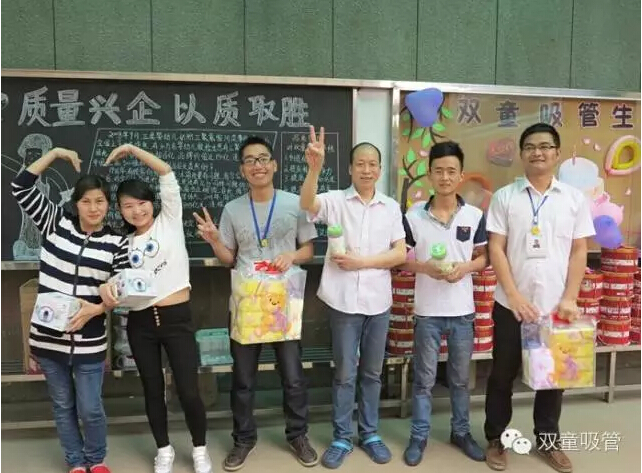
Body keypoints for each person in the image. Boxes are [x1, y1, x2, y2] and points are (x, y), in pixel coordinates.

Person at [194, 135, 318, 471]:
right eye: (250, 160)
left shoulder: (296, 202)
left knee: (293, 375)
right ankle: (243, 439)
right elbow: (228, 259)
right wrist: (215, 240)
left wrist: (291, 255)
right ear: (242, 170)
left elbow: (309, 249)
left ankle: (298, 435)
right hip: (247, 303)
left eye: (263, 159)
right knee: (243, 379)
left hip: (284, 302)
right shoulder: (232, 209)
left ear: (274, 165)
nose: (257, 165)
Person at [483, 123, 595, 473]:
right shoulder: (505, 197)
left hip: (554, 307)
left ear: (557, 153)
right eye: (530, 146)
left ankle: (548, 441)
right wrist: (514, 296)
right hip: (511, 306)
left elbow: (579, 251)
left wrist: (570, 297)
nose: (538, 152)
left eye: (545, 146)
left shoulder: (574, 199)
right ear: (521, 154)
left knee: (552, 378)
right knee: (502, 375)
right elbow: (496, 248)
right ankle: (496, 438)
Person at [11, 147, 129, 473]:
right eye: (86, 201)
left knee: (90, 408)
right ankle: (76, 461)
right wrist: (54, 153)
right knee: (63, 405)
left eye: (100, 201)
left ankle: (96, 459)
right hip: (48, 338)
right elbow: (21, 186)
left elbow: (122, 290)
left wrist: (96, 309)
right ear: (75, 203)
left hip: (89, 341)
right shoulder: (55, 223)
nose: (93, 208)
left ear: (108, 205)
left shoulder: (116, 242)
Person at [99, 144, 212, 473]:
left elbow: (166, 172)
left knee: (188, 390)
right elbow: (113, 282)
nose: (136, 211)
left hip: (177, 319)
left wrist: (132, 149)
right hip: (140, 323)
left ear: (152, 202)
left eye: (141, 203)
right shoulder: (122, 244)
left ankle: (199, 448)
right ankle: (164, 449)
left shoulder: (169, 221)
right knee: (152, 389)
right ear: (120, 211)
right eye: (127, 206)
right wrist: (108, 289)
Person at [300, 127, 407, 469]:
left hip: (379, 303)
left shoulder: (390, 207)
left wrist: (362, 262)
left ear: (380, 169)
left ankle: (370, 434)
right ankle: (342, 437)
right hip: (343, 302)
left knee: (372, 373)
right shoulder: (335, 201)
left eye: (372, 164)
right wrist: (314, 169)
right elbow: (307, 204)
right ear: (350, 168)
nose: (366, 169)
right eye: (360, 164)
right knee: (345, 374)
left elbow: (400, 253)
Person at [399, 141, 487, 466]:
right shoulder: (413, 217)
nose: (445, 177)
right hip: (427, 313)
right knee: (423, 380)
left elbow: (484, 258)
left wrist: (465, 268)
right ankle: (418, 436)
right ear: (430, 174)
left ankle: (461, 432)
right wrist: (426, 268)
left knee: (460, 380)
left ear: (461, 175)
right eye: (439, 171)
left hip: (463, 313)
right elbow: (401, 259)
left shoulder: (474, 215)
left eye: (451, 171)